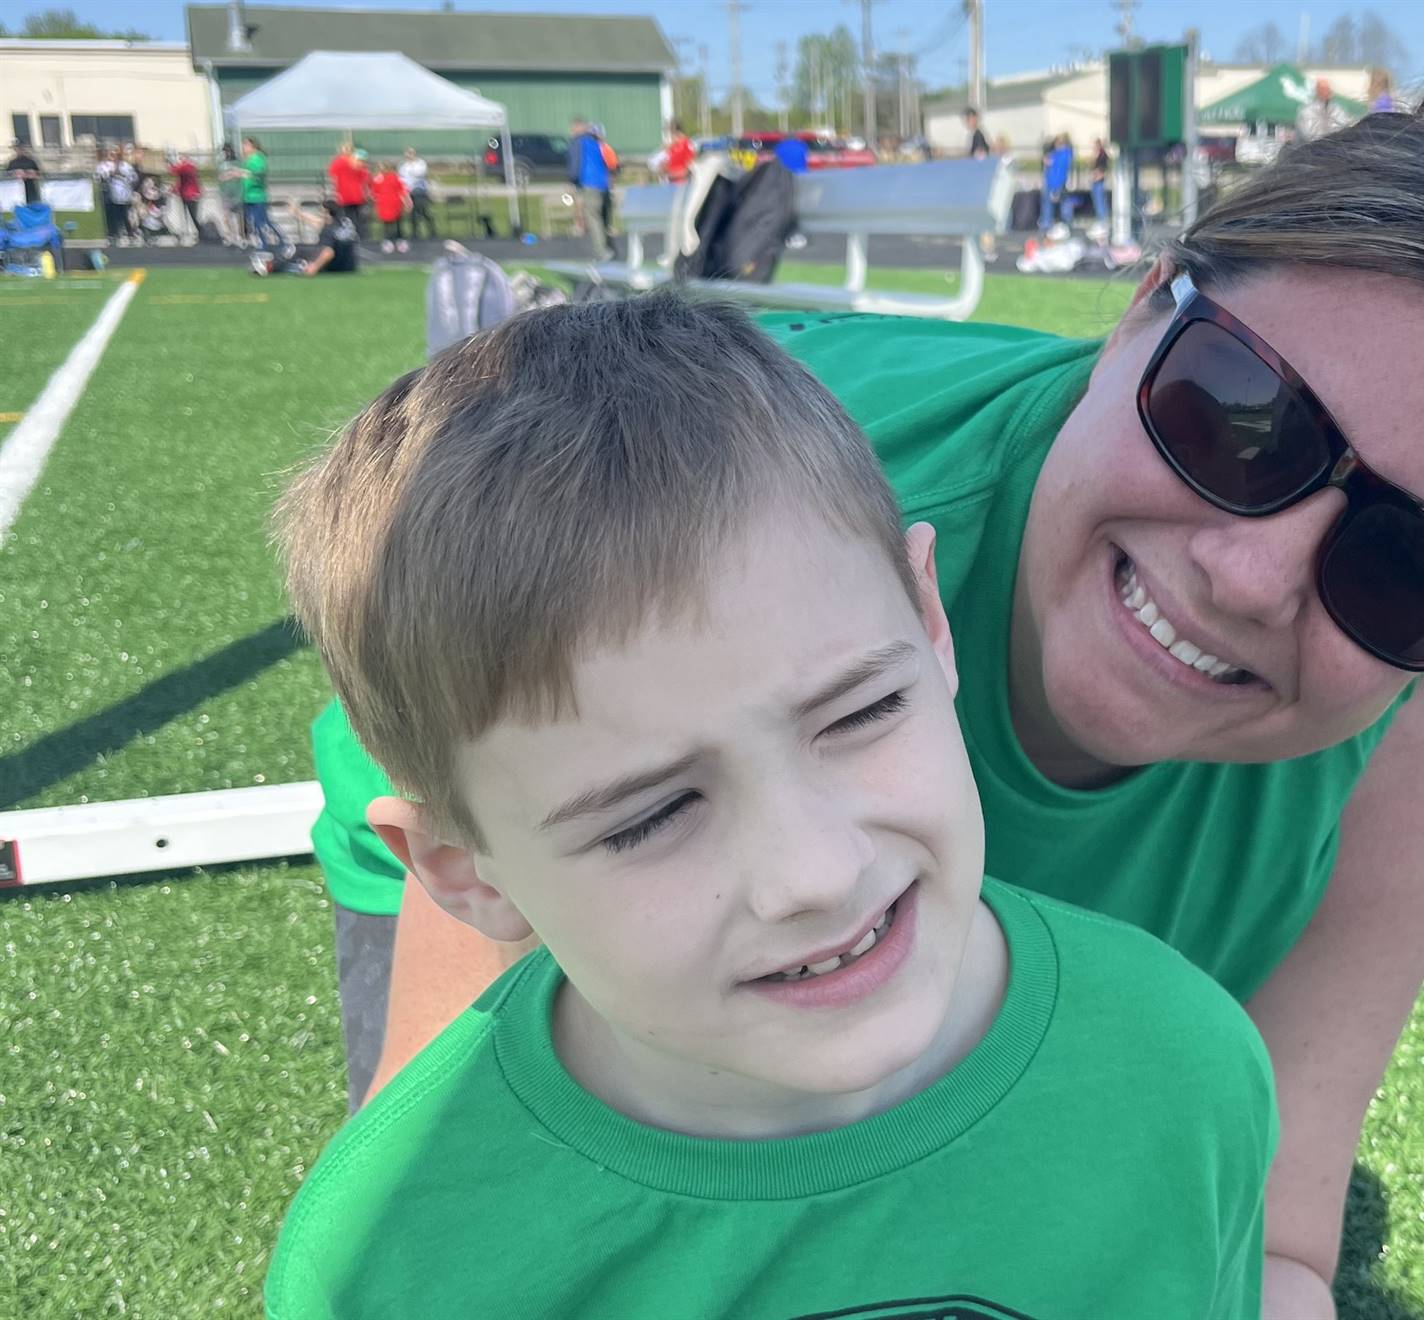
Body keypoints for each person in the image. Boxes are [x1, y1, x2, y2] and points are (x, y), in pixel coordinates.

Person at [309, 93, 1424, 1316]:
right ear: (1142, 308)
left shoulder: (1386, 759)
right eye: (1239, 415)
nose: (1252, 578)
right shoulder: (791, 546)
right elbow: (454, 1218)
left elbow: (1279, 1245)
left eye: (1407, 572)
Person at [268, 291, 1276, 1317]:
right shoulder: (394, 1262)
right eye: (650, 816)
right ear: (460, 871)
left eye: (864, 711)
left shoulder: (1184, 1069)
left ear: (931, 621)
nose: (816, 873)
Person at [250, 200, 358, 276]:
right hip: (348, 267)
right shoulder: (344, 223)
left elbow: (328, 252)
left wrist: (315, 266)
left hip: (332, 266)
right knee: (306, 250)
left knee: (296, 249)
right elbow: (317, 222)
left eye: (321, 212)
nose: (319, 214)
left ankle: (270, 267)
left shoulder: (328, 230)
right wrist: (298, 214)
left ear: (327, 213)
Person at [567, 116, 613, 261]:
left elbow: (575, 163)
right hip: (603, 183)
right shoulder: (595, 142)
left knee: (593, 217)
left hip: (589, 182)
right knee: (602, 218)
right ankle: (607, 247)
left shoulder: (578, 142)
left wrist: (572, 180)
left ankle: (602, 252)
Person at [239, 136, 293, 257]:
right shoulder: (246, 160)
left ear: (253, 146)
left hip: (258, 196)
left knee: (264, 222)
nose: (244, 148)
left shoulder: (258, 158)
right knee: (254, 222)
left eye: (246, 145)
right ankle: (263, 244)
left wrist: (242, 173)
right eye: (243, 145)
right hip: (248, 196)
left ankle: (283, 241)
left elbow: (257, 173)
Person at [326, 142, 371, 232]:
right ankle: (358, 237)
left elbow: (332, 176)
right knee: (358, 219)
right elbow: (365, 178)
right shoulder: (359, 162)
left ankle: (350, 237)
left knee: (347, 218)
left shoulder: (338, 161)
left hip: (345, 195)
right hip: (356, 195)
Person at [397, 146, 435, 241]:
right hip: (409, 193)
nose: (409, 155)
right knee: (412, 214)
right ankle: (415, 233)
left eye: (411, 153)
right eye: (407, 153)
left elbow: (419, 174)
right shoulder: (402, 166)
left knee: (423, 211)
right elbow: (401, 178)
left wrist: (411, 168)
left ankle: (432, 231)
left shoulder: (421, 163)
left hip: (420, 192)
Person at [370, 161, 409, 253]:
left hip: (395, 203)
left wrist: (406, 202)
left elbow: (402, 190)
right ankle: (388, 241)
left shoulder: (395, 177)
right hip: (384, 204)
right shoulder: (377, 179)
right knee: (387, 224)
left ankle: (400, 241)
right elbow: (374, 193)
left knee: (398, 223)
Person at [1040, 134, 1074, 236]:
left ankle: (1056, 223)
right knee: (1053, 204)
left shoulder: (1062, 154)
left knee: (1059, 204)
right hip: (1052, 182)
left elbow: (1053, 165)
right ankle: (1050, 223)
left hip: (1056, 182)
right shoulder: (1060, 154)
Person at [217, 142, 249, 247]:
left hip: (238, 194)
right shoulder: (221, 164)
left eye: (227, 150)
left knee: (240, 218)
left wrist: (234, 173)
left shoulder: (238, 162)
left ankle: (242, 237)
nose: (226, 153)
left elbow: (244, 174)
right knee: (226, 217)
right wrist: (229, 174)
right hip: (226, 194)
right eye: (225, 151)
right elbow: (221, 177)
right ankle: (231, 236)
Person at [167, 150, 203, 241]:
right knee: (185, 214)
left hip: (190, 194)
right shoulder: (188, 167)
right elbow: (181, 181)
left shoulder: (188, 166)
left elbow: (174, 171)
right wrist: (173, 190)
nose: (180, 160)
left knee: (193, 215)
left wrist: (170, 163)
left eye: (181, 158)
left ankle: (201, 231)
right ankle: (186, 231)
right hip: (186, 194)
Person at [5, 140, 41, 206]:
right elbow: (6, 176)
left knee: (32, 205)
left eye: (20, 148)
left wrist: (30, 174)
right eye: (16, 148)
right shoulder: (12, 163)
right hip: (16, 190)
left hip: (30, 188)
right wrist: (15, 174)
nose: (19, 150)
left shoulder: (31, 162)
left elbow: (39, 174)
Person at [661, 119, 695, 184]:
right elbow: (665, 166)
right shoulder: (671, 147)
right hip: (670, 185)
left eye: (670, 132)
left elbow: (689, 170)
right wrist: (663, 169)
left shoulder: (687, 144)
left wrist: (670, 175)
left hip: (683, 186)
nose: (669, 136)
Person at [1089, 136, 1111, 225]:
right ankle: (1101, 219)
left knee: (1100, 201)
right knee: (1097, 201)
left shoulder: (1102, 155)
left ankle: (1103, 220)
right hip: (1095, 181)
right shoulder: (1097, 155)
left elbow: (1103, 168)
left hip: (1099, 181)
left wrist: (1098, 175)